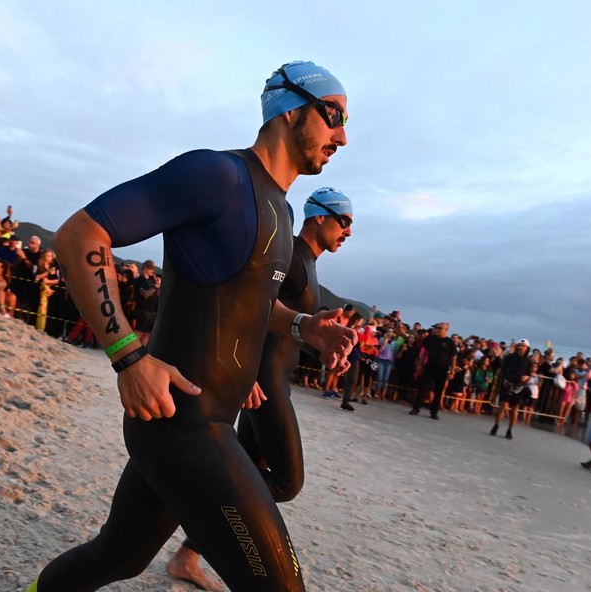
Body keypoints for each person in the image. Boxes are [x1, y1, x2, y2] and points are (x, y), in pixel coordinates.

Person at [27, 60, 353, 592]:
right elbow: (81, 235)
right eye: (333, 115)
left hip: (200, 421)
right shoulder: (216, 176)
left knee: (115, 558)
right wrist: (128, 355)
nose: (341, 135)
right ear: (290, 111)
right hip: (184, 425)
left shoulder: (283, 212)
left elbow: (247, 299)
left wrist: (302, 329)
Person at [166, 187, 353, 590]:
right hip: (264, 385)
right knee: (286, 481)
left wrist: (320, 345)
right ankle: (199, 510)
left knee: (248, 471)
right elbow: (248, 306)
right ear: (318, 216)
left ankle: (186, 557)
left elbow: (283, 324)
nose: (349, 231)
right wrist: (244, 369)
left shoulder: (308, 264)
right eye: (344, 220)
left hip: (271, 380)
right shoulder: (290, 257)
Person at [409, 322, 457, 420]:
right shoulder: (431, 339)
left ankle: (434, 412)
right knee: (423, 387)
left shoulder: (450, 343)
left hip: (442, 369)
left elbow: (453, 358)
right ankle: (416, 408)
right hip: (430, 366)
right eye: (437, 328)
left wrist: (452, 372)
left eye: (440, 328)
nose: (437, 329)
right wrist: (420, 365)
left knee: (438, 391)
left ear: (446, 330)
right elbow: (425, 353)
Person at [489, 338, 532, 439]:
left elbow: (530, 374)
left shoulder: (528, 361)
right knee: (503, 406)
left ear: (527, 348)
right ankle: (496, 425)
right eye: (519, 345)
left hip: (519, 386)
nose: (521, 347)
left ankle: (510, 430)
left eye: (523, 346)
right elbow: (503, 369)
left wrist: (527, 377)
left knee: (515, 409)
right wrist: (504, 379)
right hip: (507, 383)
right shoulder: (510, 357)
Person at [132, 259, 160, 346]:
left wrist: (158, 285)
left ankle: (142, 351)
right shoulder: (140, 280)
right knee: (138, 333)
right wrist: (155, 286)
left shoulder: (151, 280)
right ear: (145, 268)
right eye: (151, 268)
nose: (153, 271)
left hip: (152, 311)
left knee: (147, 334)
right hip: (142, 310)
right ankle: (130, 349)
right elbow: (145, 294)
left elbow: (157, 294)